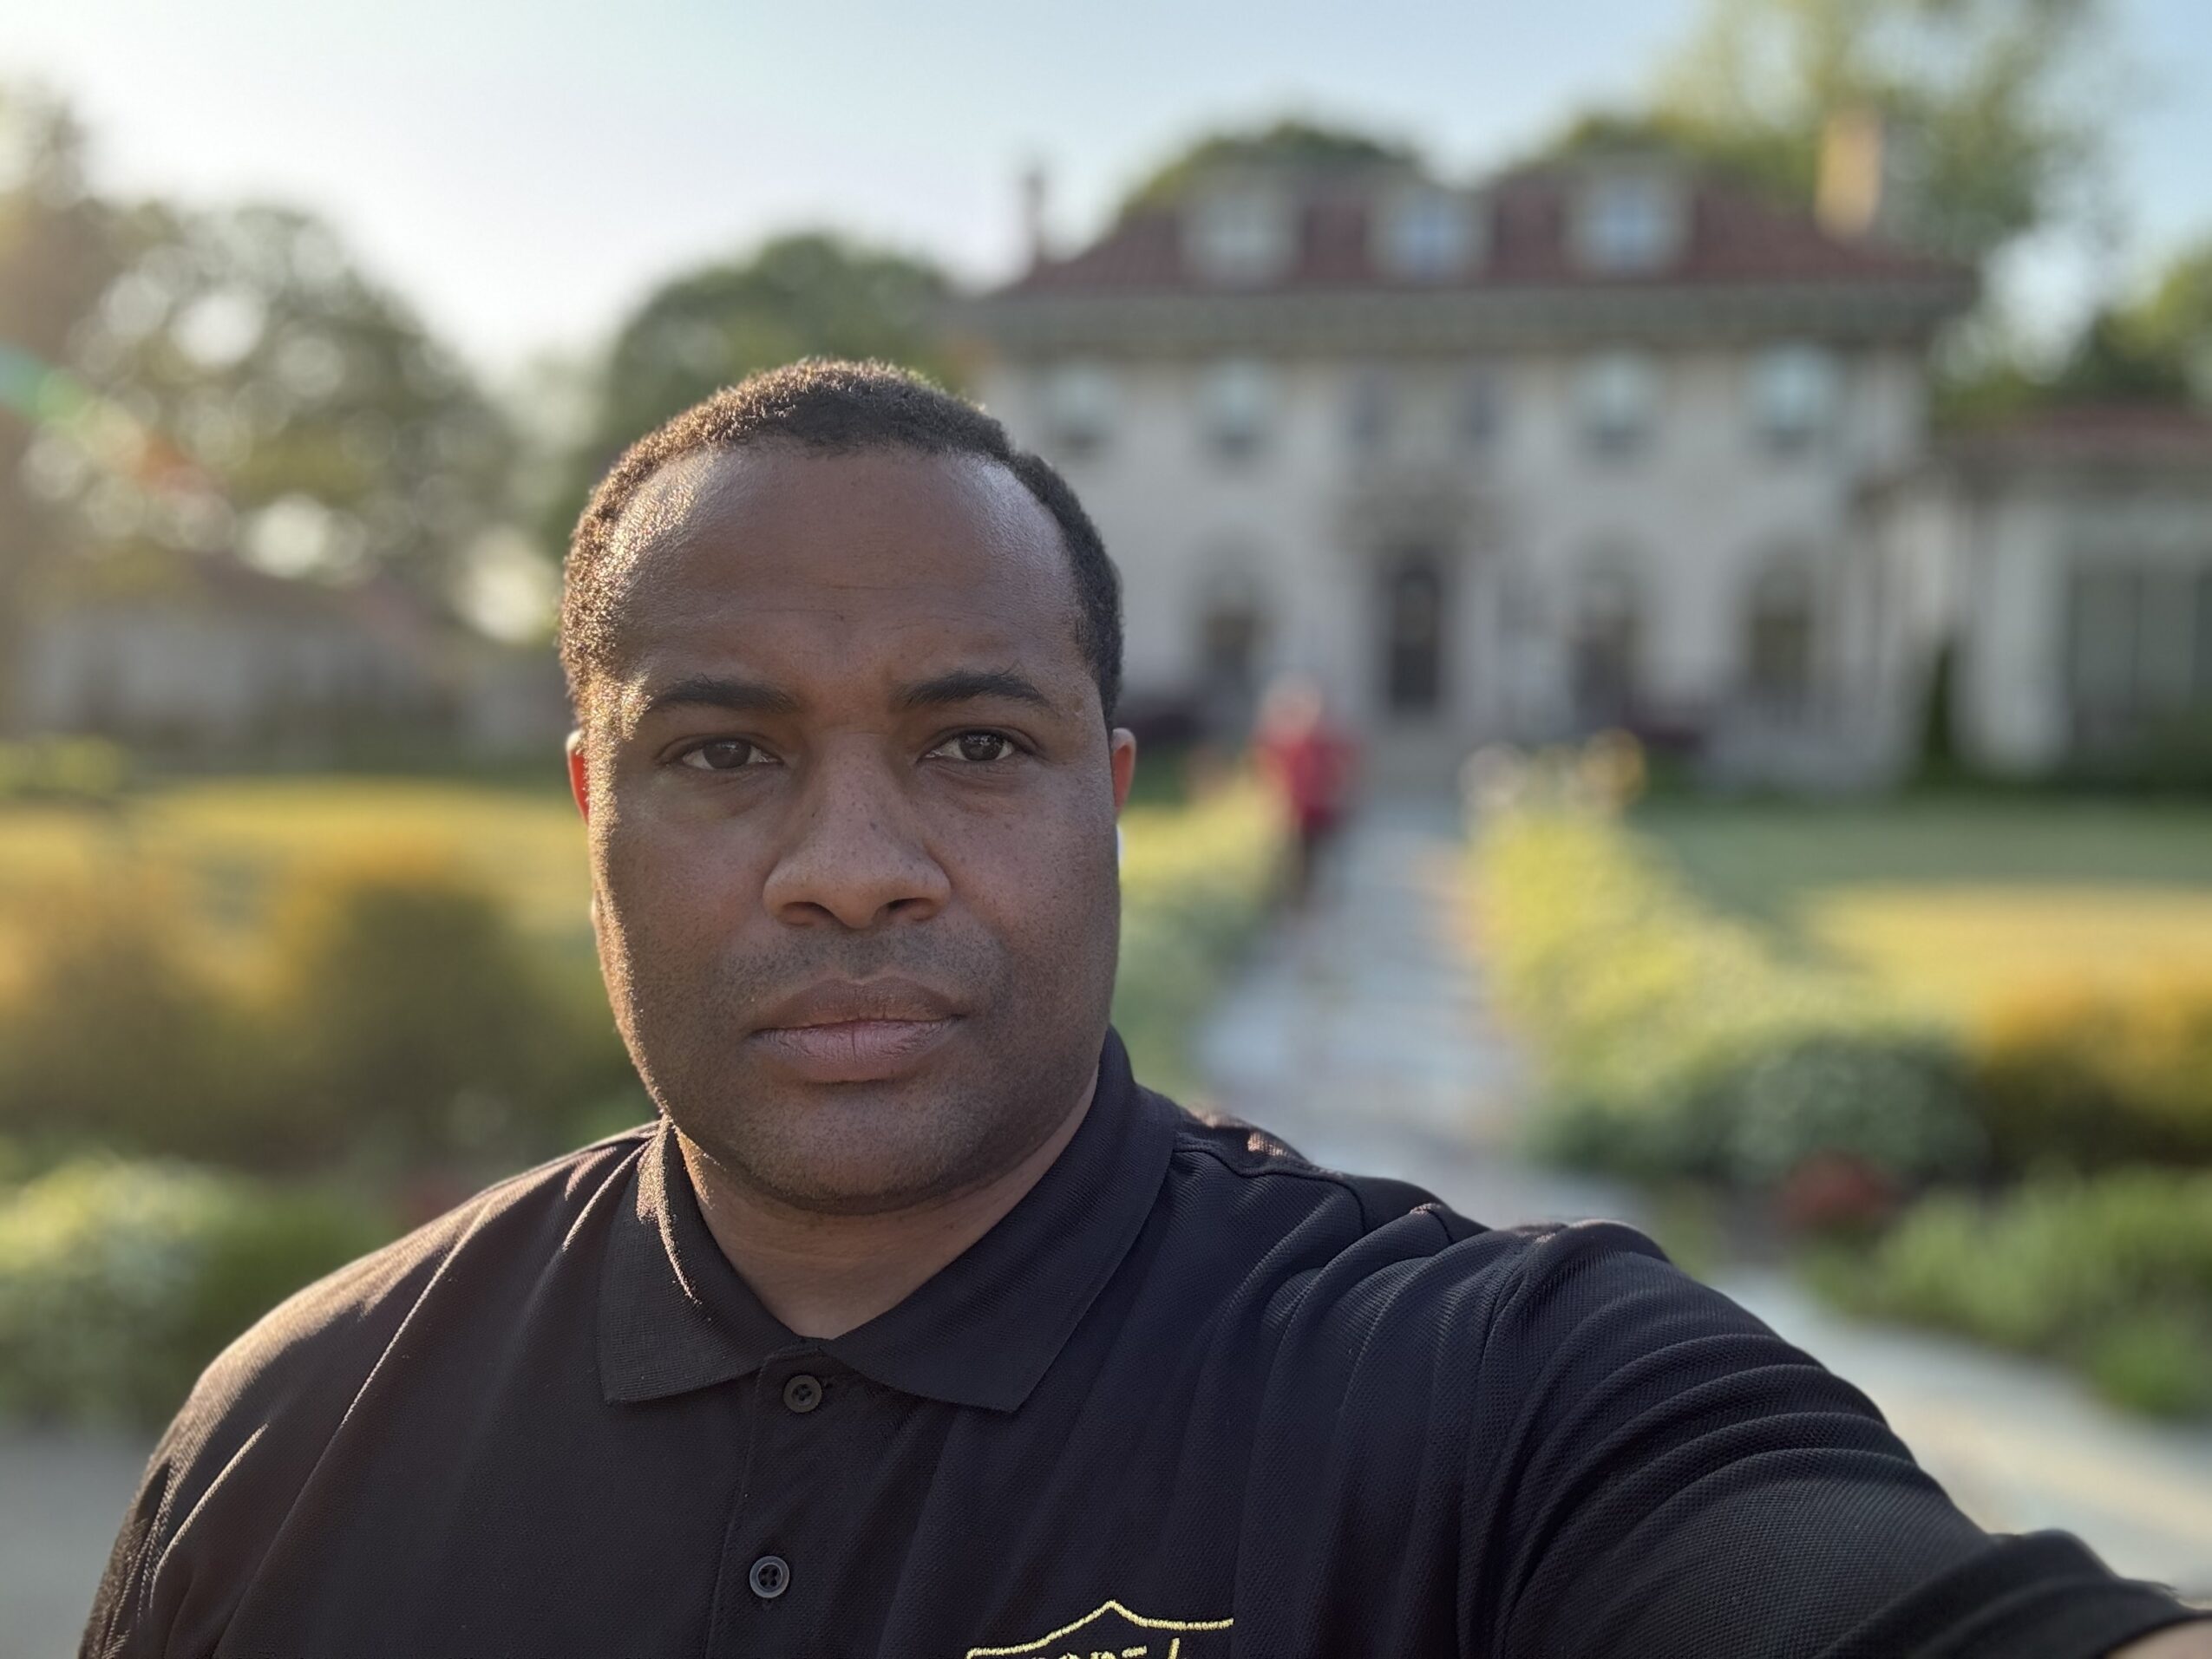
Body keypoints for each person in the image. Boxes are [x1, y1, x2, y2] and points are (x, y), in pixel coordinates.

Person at [82, 362, 2208, 1658]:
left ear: (1111, 798)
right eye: (724, 753)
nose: (852, 860)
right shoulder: (291, 1435)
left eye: (976, 746)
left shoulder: (1493, 1399)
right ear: (589, 811)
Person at [1252, 672, 1358, 906]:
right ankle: (1297, 900)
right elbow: (1272, 768)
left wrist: (1339, 794)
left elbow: (1343, 771)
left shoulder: (1328, 742)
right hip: (1298, 811)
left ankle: (1313, 899)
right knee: (1295, 859)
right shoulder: (1290, 740)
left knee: (1319, 858)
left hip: (1321, 811)